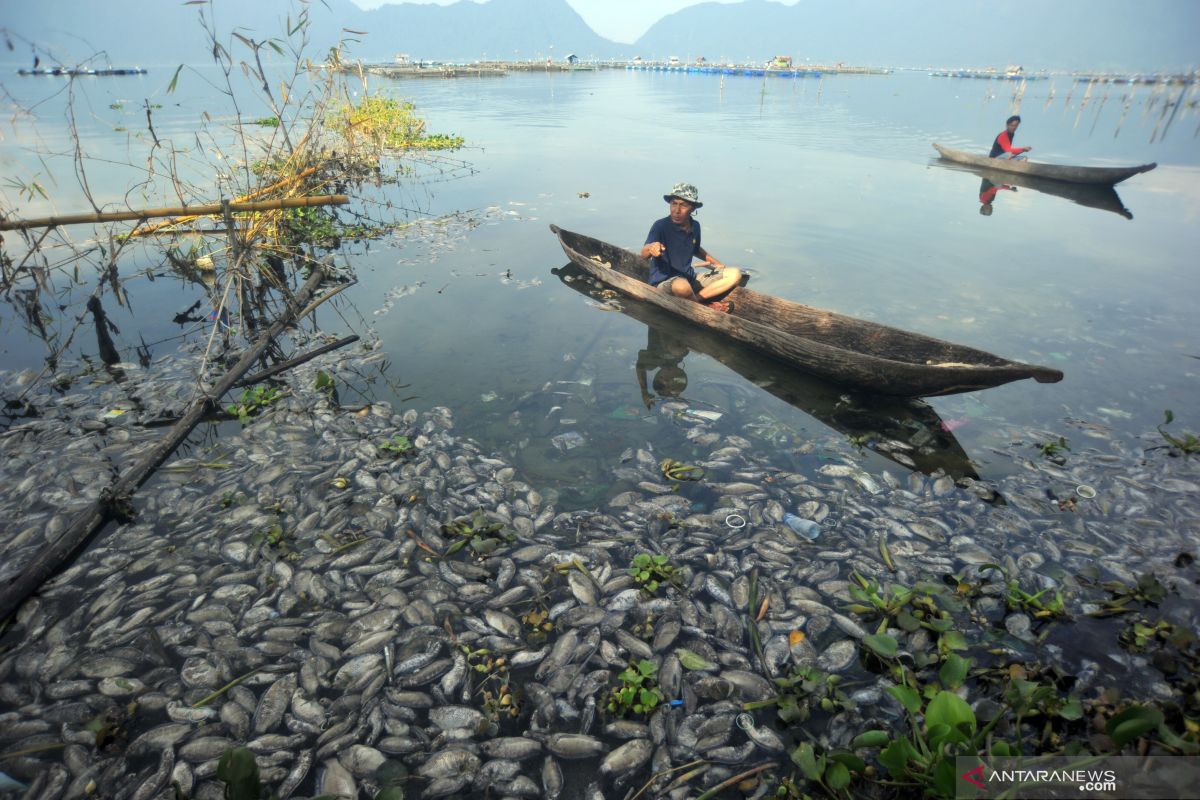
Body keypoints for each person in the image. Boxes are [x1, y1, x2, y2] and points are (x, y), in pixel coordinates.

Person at [640, 183, 742, 313]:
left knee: (735, 274)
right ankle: (706, 308)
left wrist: (718, 264)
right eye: (674, 203)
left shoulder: (695, 227)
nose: (676, 210)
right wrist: (651, 248)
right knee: (682, 286)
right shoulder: (660, 226)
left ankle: (697, 301)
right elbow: (643, 254)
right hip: (664, 284)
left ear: (692, 208)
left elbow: (695, 249)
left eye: (683, 205)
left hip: (689, 278)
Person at [635, 324, 690, 408]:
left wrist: (644, 391)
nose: (667, 376)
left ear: (659, 376)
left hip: (658, 317)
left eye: (662, 378)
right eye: (670, 379)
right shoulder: (680, 354)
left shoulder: (654, 361)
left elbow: (640, 367)